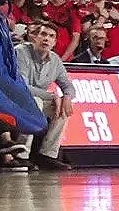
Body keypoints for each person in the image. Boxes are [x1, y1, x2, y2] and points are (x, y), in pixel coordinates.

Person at [15, 18, 74, 170]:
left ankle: (47, 155)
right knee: (36, 101)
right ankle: (21, 154)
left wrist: (67, 97)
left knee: (63, 110)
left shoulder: (55, 60)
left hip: (37, 99)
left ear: (54, 43)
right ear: (35, 37)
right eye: (43, 34)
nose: (46, 38)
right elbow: (22, 87)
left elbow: (68, 86)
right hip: (15, 98)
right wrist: (53, 96)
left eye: (51, 36)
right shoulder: (21, 52)